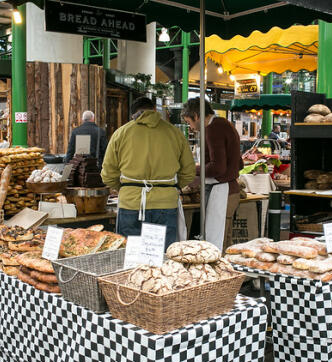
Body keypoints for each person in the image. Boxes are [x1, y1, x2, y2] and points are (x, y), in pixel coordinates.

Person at [102, 97, 196, 248]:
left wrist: (126, 188)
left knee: (130, 258)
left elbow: (107, 174)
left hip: (130, 204)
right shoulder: (174, 133)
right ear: (154, 110)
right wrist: (174, 187)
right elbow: (189, 171)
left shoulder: (121, 133)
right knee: (163, 259)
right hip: (165, 203)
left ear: (133, 115)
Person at [182, 98, 243, 251]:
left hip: (222, 191)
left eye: (189, 122)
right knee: (223, 240)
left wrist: (191, 169)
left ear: (196, 115)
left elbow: (218, 167)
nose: (191, 127)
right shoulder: (225, 124)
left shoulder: (212, 129)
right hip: (230, 190)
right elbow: (239, 163)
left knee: (216, 242)